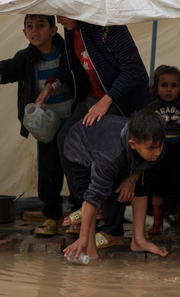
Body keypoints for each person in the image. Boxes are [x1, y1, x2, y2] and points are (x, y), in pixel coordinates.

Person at [36, 16, 149, 247]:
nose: (59, 18)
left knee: (110, 156)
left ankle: (113, 231)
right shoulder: (71, 29)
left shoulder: (109, 27)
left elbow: (135, 71)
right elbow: (70, 64)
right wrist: (51, 84)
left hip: (122, 102)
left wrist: (107, 101)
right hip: (96, 97)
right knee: (67, 139)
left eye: (64, 12)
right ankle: (90, 204)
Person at [0, 15, 72, 236]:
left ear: (54, 30)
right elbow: (10, 67)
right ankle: (52, 218)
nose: (35, 31)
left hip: (73, 123)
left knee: (75, 172)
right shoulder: (25, 58)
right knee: (48, 174)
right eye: (30, 27)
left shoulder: (68, 52)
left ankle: (77, 217)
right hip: (46, 129)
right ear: (24, 33)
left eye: (41, 26)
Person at [62, 109, 169, 261]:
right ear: (133, 144)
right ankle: (89, 249)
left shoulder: (155, 145)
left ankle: (138, 240)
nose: (157, 152)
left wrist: (132, 177)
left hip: (111, 149)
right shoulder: (110, 156)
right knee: (91, 194)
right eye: (151, 148)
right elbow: (93, 196)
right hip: (80, 150)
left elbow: (145, 164)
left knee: (141, 180)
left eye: (160, 145)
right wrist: (83, 237)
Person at [147, 65, 180, 238]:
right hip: (159, 153)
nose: (169, 90)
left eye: (173, 86)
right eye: (164, 86)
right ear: (156, 87)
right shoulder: (152, 105)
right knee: (158, 188)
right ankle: (157, 223)